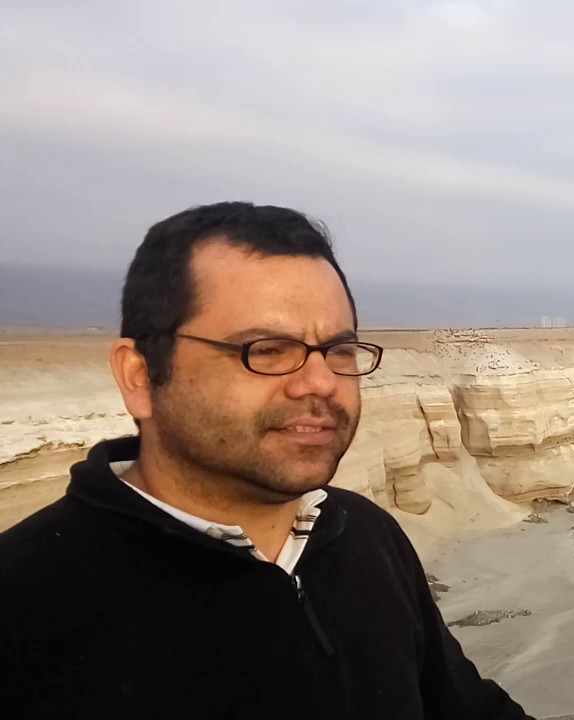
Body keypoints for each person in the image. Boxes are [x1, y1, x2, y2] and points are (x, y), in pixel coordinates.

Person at [0, 202, 531, 719]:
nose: (321, 382)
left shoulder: (365, 535)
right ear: (140, 377)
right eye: (267, 350)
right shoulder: (26, 604)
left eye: (339, 350)